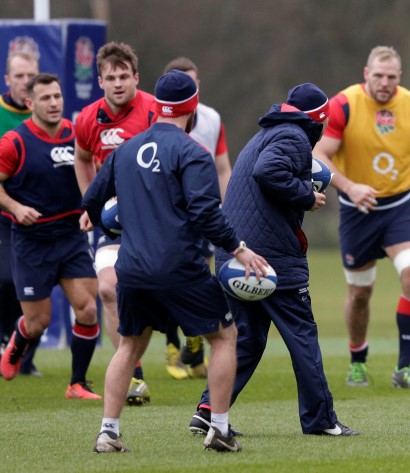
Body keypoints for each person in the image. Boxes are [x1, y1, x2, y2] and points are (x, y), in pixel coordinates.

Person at [84, 70, 269, 453]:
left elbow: (92, 199)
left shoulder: (124, 151)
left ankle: (108, 432)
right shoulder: (192, 153)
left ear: (155, 107)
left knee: (129, 347)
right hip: (180, 267)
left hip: (131, 268)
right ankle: (218, 428)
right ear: (193, 106)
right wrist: (239, 249)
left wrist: (110, 219)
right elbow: (205, 213)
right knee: (225, 337)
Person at [188, 82, 357, 437]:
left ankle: (208, 409)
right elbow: (269, 172)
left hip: (237, 252)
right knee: (302, 336)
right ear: (318, 120)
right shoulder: (294, 137)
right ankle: (321, 421)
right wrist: (306, 195)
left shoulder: (267, 132)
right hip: (271, 257)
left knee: (247, 338)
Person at [313, 46, 410, 389]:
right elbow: (318, 154)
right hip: (356, 212)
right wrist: (349, 187)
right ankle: (357, 362)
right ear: (366, 74)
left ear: (400, 78)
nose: (384, 82)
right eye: (378, 75)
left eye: (391, 77)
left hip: (400, 209)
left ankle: (405, 368)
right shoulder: (344, 104)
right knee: (360, 293)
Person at [0, 73, 101, 400]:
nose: (54, 102)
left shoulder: (77, 134)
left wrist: (92, 207)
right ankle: (18, 341)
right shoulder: (14, 142)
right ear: (30, 103)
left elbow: (92, 172)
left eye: (57, 96)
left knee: (87, 309)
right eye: (46, 98)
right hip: (32, 241)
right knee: (38, 321)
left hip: (70, 236)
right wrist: (15, 207)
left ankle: (77, 383)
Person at [73, 41, 156, 405]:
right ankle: (133, 374)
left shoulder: (155, 110)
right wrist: (90, 202)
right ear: (101, 81)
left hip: (155, 217)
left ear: (136, 78)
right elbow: (82, 158)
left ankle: (194, 337)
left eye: (125, 76)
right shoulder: (88, 118)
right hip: (113, 220)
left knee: (159, 291)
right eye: (111, 77)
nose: (119, 83)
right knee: (108, 289)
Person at [160, 56, 234, 380]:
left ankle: (193, 340)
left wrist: (228, 205)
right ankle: (172, 342)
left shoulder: (212, 118)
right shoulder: (158, 119)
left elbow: (222, 166)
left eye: (193, 81)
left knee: (200, 272)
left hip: (200, 207)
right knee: (161, 278)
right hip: (164, 209)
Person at [0, 51, 42, 376]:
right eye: (19, 76)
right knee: (6, 279)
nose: (25, 82)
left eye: (31, 76)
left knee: (37, 289)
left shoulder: (47, 115)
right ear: (7, 80)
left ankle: (23, 358)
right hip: (4, 215)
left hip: (39, 216)